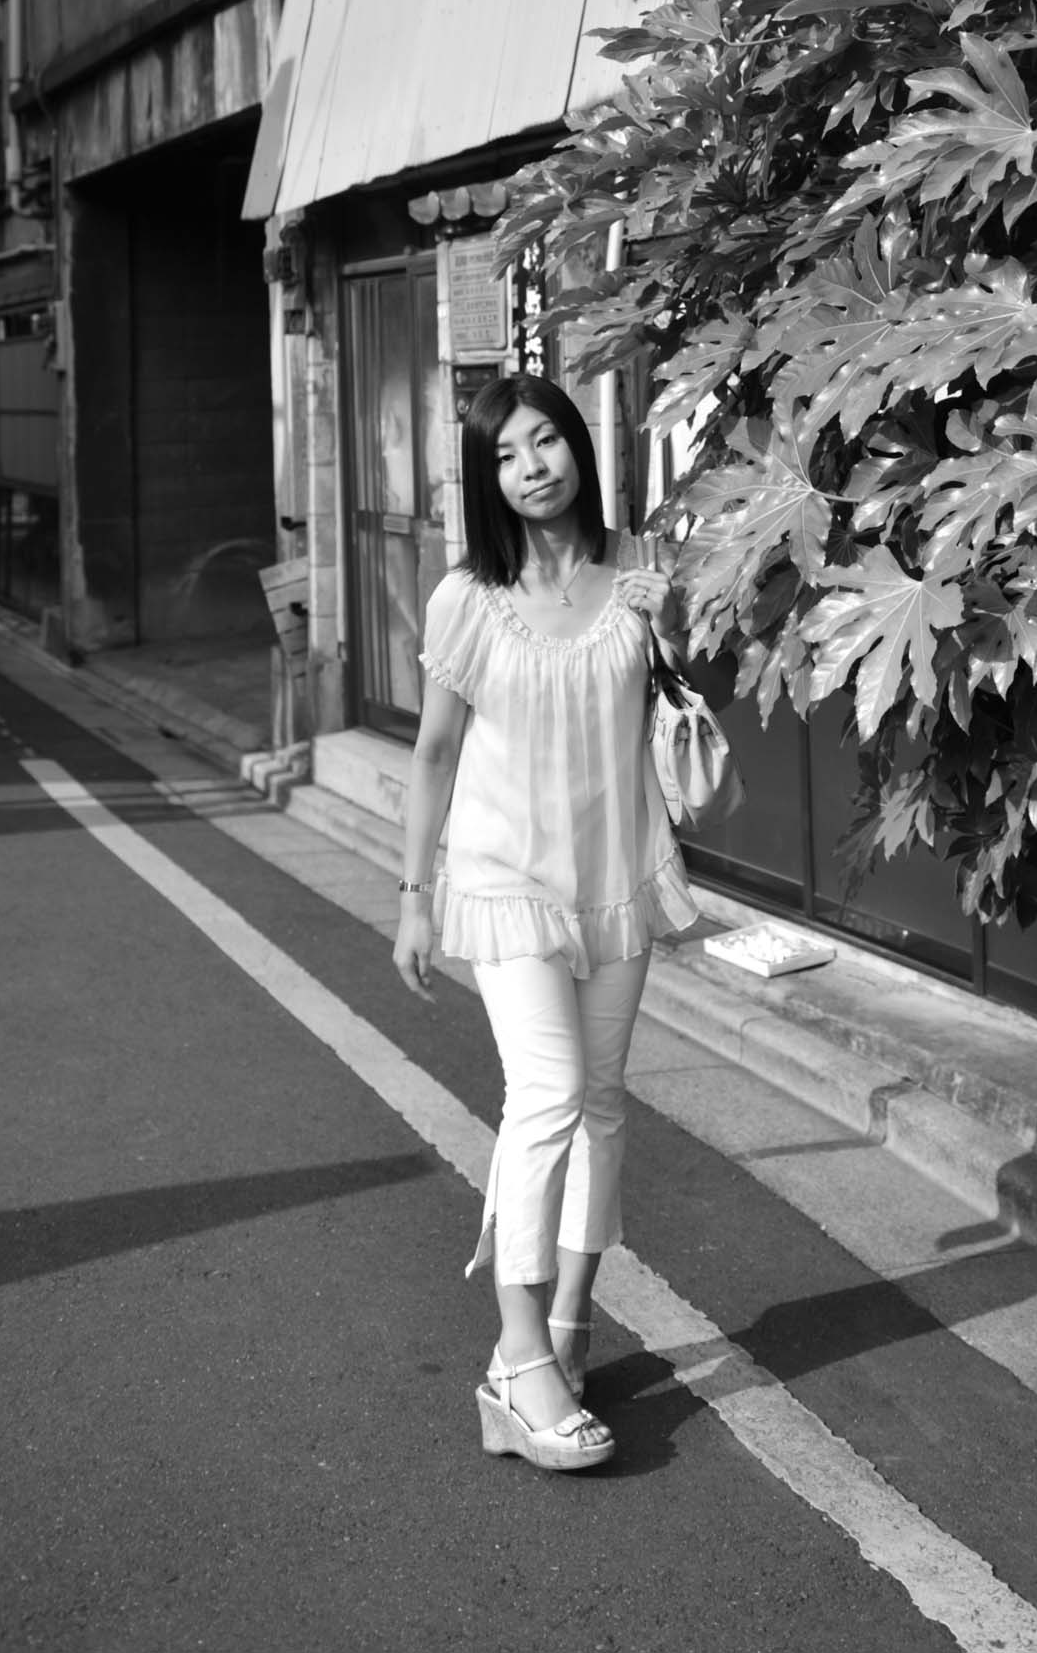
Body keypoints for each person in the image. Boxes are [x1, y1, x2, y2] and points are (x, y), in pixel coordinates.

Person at [392, 372, 696, 1474]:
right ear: (487, 478)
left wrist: (676, 627)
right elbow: (433, 752)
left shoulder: (640, 568)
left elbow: (673, 703)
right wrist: (413, 895)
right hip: (504, 875)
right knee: (550, 1092)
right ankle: (518, 1358)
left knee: (602, 1101)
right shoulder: (466, 598)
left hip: (615, 869)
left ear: (578, 444)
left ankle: (569, 1321)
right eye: (506, 454)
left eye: (546, 442)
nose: (532, 467)